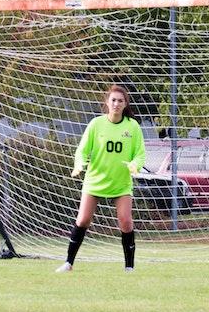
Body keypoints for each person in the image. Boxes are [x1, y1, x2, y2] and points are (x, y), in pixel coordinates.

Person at [56, 84, 146, 273]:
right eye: (113, 100)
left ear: (125, 104)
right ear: (107, 102)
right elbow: (82, 149)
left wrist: (135, 165)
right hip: (95, 181)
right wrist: (79, 164)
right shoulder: (96, 124)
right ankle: (68, 263)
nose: (116, 104)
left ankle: (129, 267)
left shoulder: (132, 126)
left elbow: (140, 154)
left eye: (120, 101)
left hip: (120, 183)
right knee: (83, 220)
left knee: (126, 222)